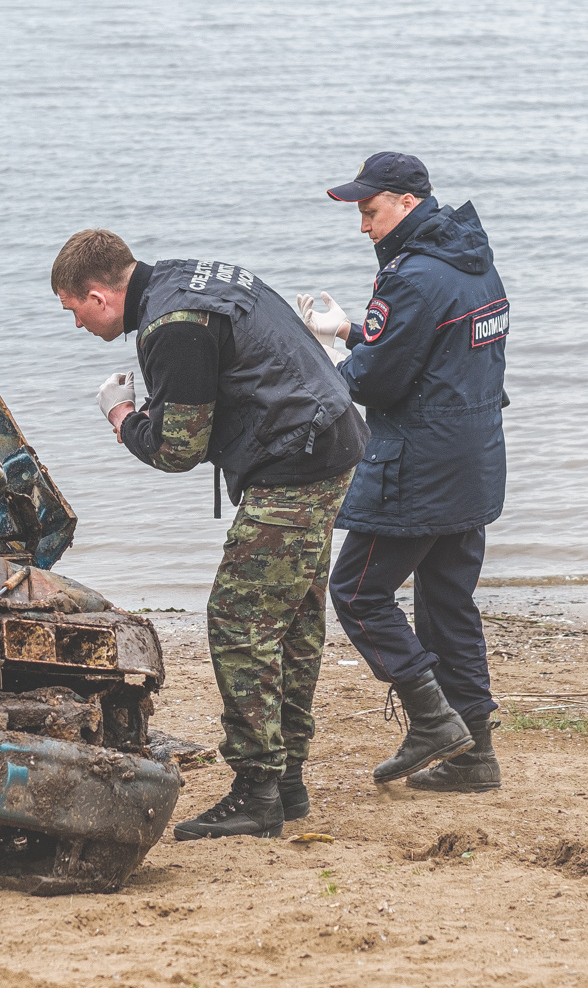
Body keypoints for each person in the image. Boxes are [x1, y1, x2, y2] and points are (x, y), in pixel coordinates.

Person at [51, 229, 368, 840]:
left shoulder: (171, 326)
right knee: (293, 617)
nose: (77, 326)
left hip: (296, 459)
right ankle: (288, 781)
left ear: (97, 295)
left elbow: (177, 449)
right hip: (331, 438)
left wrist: (122, 417)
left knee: (239, 622)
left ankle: (257, 792)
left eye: (74, 312)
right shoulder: (193, 273)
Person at [298, 151, 510, 792]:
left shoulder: (411, 278)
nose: (363, 226)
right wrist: (356, 328)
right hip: (474, 457)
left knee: (358, 594)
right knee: (448, 604)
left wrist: (326, 350)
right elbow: (431, 349)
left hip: (417, 467)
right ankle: (475, 756)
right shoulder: (472, 260)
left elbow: (372, 382)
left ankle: (431, 720)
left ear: (406, 203)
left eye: (369, 211)